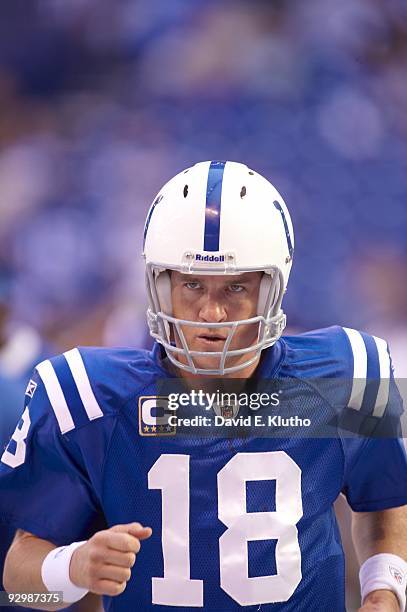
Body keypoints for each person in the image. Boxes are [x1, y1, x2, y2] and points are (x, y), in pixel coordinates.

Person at [0, 161, 406, 612]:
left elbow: (385, 498)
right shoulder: (87, 395)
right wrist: (73, 568)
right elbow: (19, 586)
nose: (211, 314)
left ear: (273, 286)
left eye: (235, 287)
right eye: (192, 284)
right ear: (159, 283)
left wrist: (384, 588)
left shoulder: (347, 374)